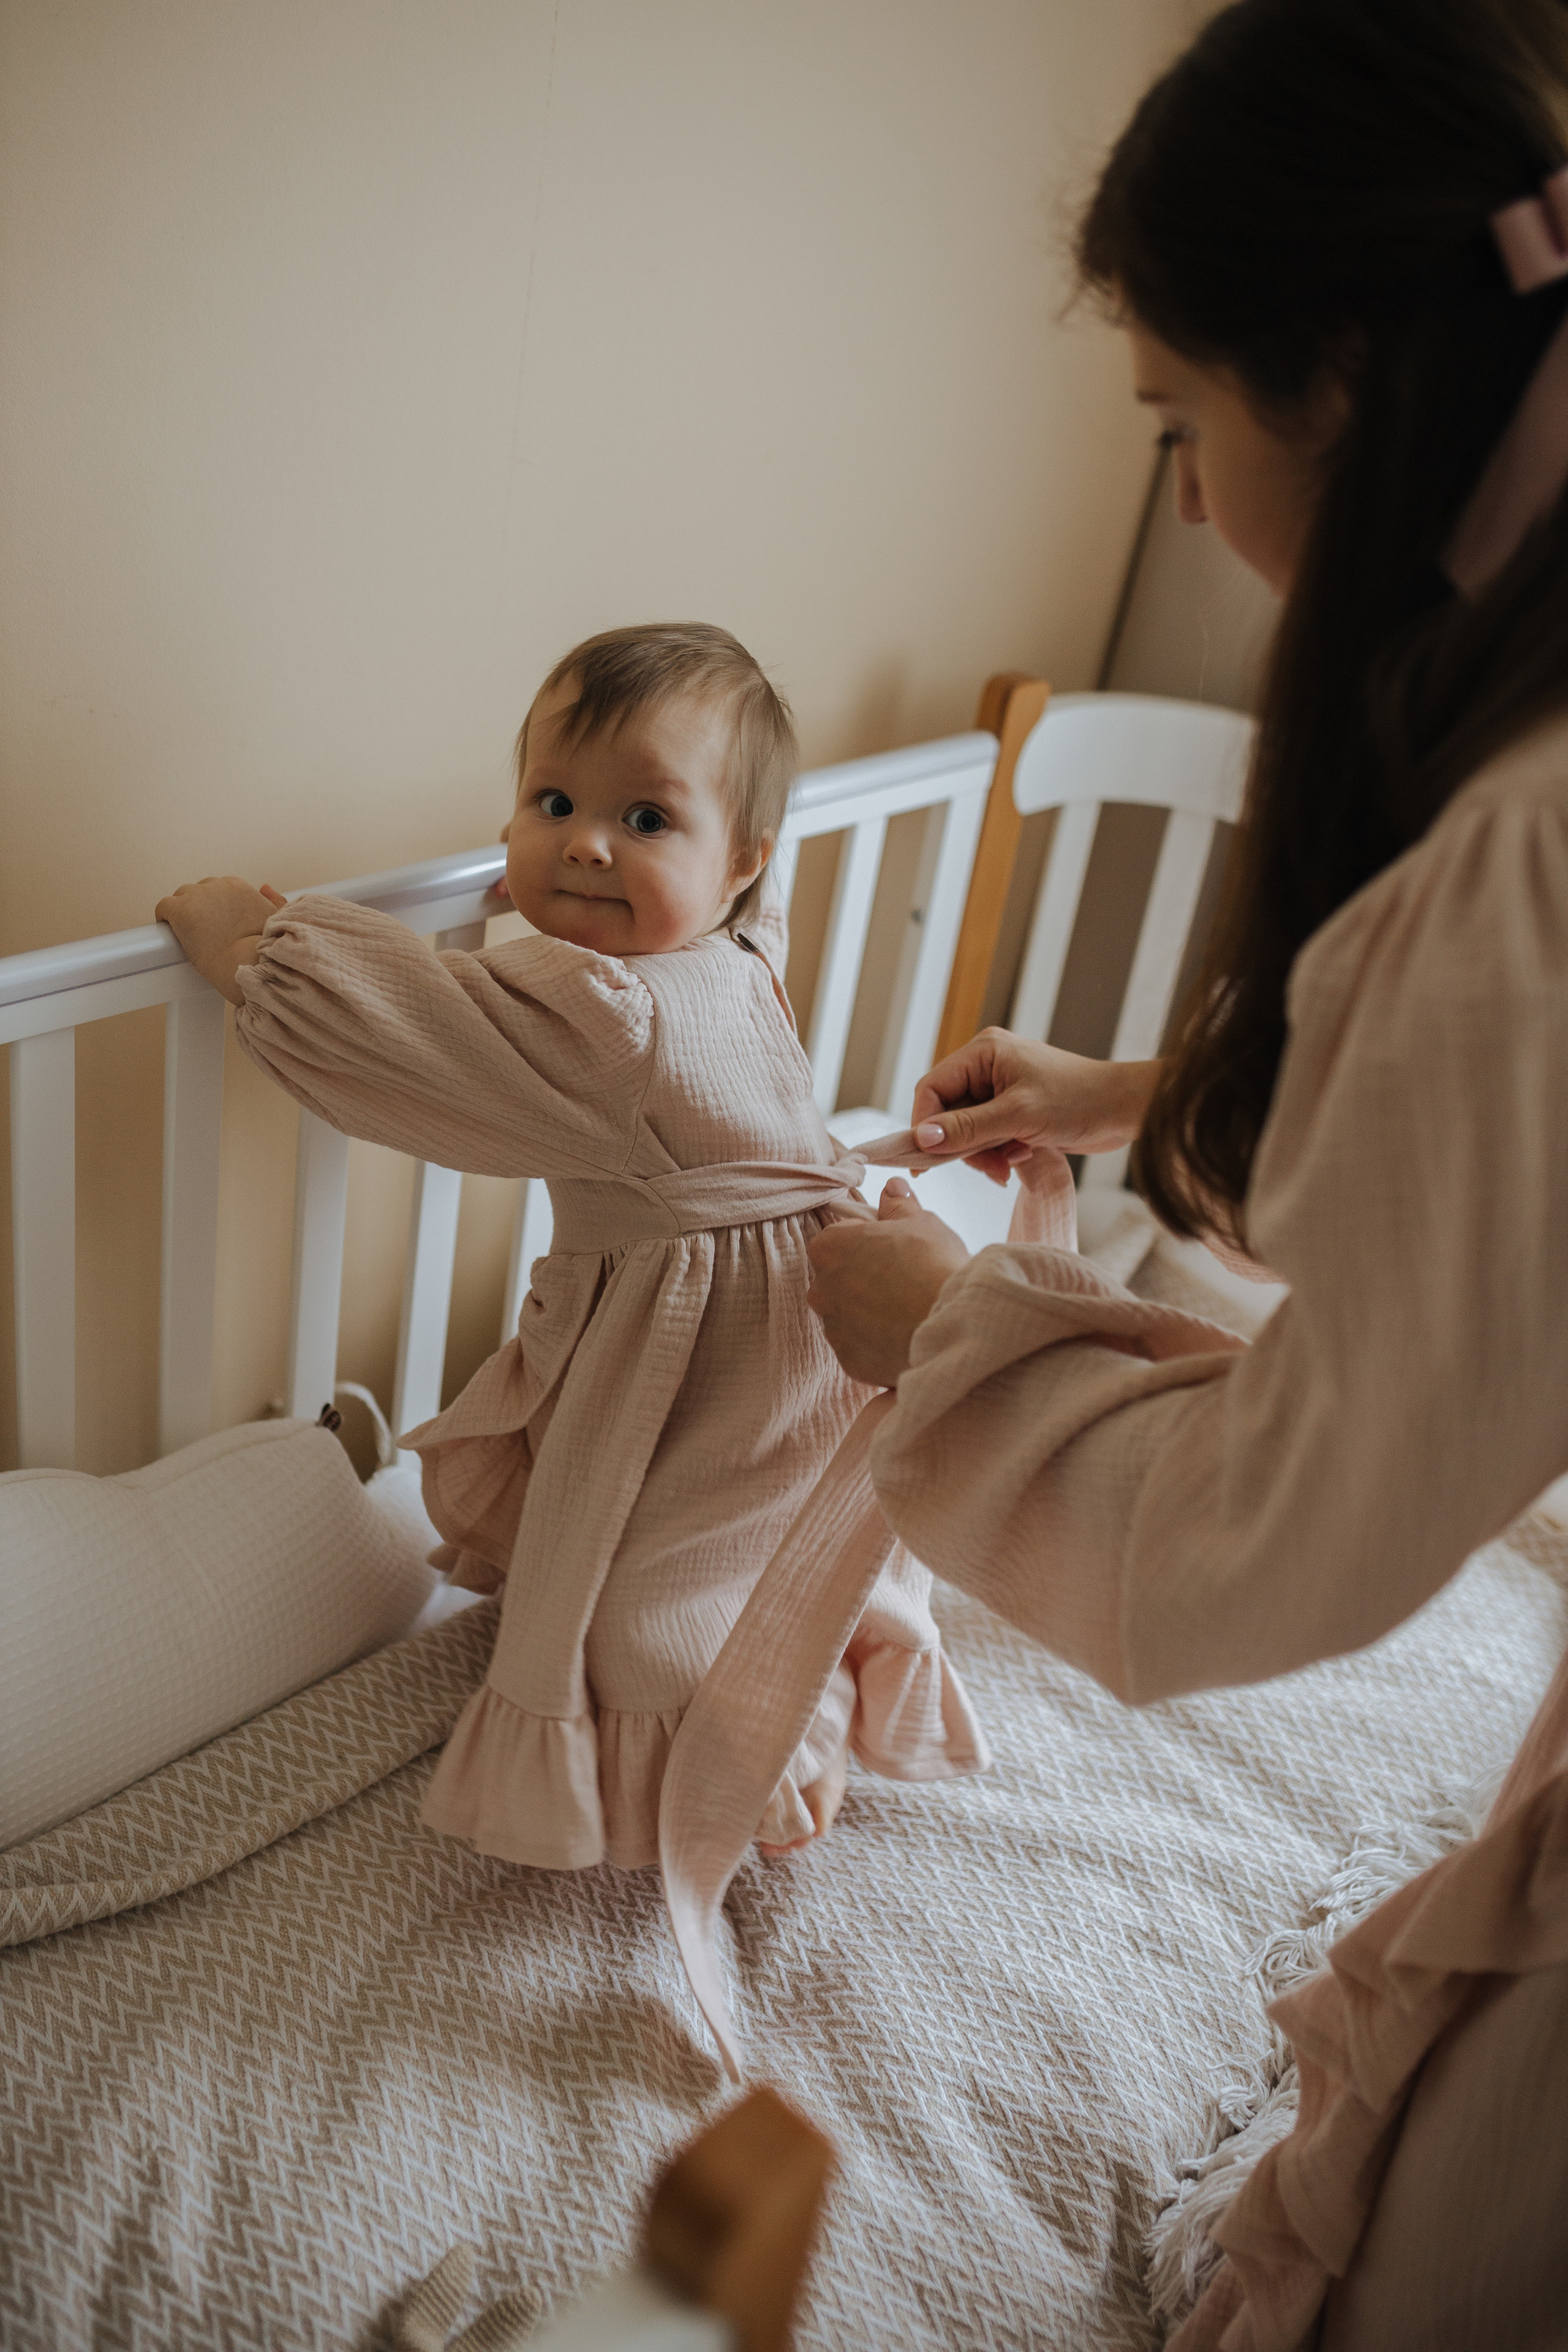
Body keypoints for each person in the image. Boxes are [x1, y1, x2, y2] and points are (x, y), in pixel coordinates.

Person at [805, 2, 1568, 2345]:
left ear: (1334, 370)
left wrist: (945, 1337)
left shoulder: (1519, 846)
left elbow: (1266, 1549)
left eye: (1176, 421)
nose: (1190, 502)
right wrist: (1132, 1092)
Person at [153, 623, 986, 2031]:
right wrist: (618, 863)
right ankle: (815, 1681)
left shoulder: (598, 1009)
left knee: (646, 1609)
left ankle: (760, 1769)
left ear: (742, 863)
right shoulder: (739, 958)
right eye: (555, 805)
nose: (587, 846)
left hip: (706, 1368)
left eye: (643, 817)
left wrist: (251, 947)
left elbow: (418, 1027)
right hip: (805, 1346)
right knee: (764, 1541)